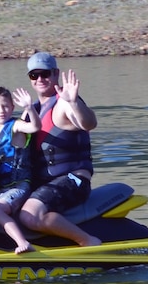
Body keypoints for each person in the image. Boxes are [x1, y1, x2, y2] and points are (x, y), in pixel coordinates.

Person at [17, 52, 102, 247]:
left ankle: (88, 241)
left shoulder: (64, 101)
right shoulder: (32, 110)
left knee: (30, 216)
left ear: (55, 74)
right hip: (45, 182)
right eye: (34, 75)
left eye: (45, 74)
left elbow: (88, 123)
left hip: (74, 180)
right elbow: (12, 144)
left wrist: (74, 102)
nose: (40, 79)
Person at [0, 86, 40, 254]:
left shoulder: (16, 126)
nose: (2, 110)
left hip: (18, 186)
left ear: (12, 108)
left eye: (6, 106)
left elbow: (35, 127)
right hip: (0, 187)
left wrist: (29, 108)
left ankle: (23, 242)